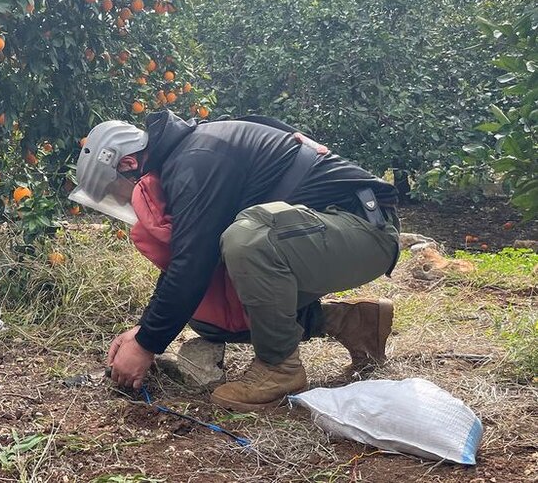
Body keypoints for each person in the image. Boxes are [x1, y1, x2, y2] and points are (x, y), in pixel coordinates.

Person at [69, 110, 401, 411]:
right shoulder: (186, 158)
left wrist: (146, 344)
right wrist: (144, 330)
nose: (124, 202)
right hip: (318, 236)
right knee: (211, 318)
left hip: (363, 230)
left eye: (116, 192)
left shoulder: (196, 159)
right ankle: (352, 323)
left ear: (128, 164)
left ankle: (279, 368)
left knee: (249, 240)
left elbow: (192, 264)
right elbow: (188, 260)